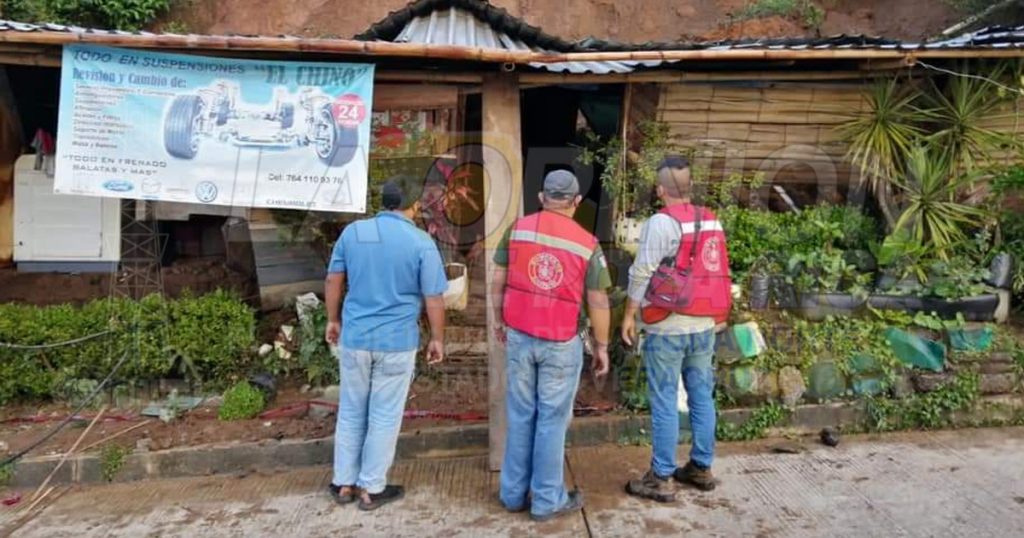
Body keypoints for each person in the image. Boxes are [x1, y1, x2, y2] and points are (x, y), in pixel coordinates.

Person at [491, 169, 612, 522]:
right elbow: (598, 300)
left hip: (519, 335)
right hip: (560, 342)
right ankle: (546, 500)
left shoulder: (518, 229)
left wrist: (499, 320)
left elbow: (498, 279)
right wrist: (601, 346)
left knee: (520, 414)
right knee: (551, 421)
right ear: (575, 203)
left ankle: (512, 495)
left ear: (542, 198)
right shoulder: (586, 243)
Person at [324, 175, 448, 511]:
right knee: (384, 415)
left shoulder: (353, 233)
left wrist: (333, 319)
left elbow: (335, 278)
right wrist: (437, 338)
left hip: (356, 339)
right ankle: (372, 488)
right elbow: (433, 297)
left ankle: (343, 483)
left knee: (350, 410)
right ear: (415, 205)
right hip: (396, 341)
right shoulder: (421, 242)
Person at [622, 156, 725, 502]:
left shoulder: (660, 223)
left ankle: (662, 476)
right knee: (700, 395)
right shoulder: (711, 221)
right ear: (690, 187)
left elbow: (642, 272)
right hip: (704, 324)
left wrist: (629, 315)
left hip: (667, 325)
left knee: (665, 398)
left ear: (659, 189)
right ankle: (701, 467)